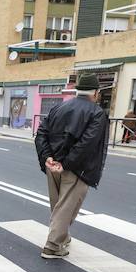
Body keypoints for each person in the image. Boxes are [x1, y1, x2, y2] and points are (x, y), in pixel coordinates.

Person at [34, 73, 108, 260]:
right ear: (96, 93)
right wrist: (65, 164)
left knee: (58, 205)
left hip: (53, 166)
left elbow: (41, 133)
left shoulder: (59, 107)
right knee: (67, 207)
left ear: (77, 90)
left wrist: (47, 157)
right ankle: (52, 246)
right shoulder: (97, 112)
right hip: (75, 169)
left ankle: (63, 236)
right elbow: (87, 143)